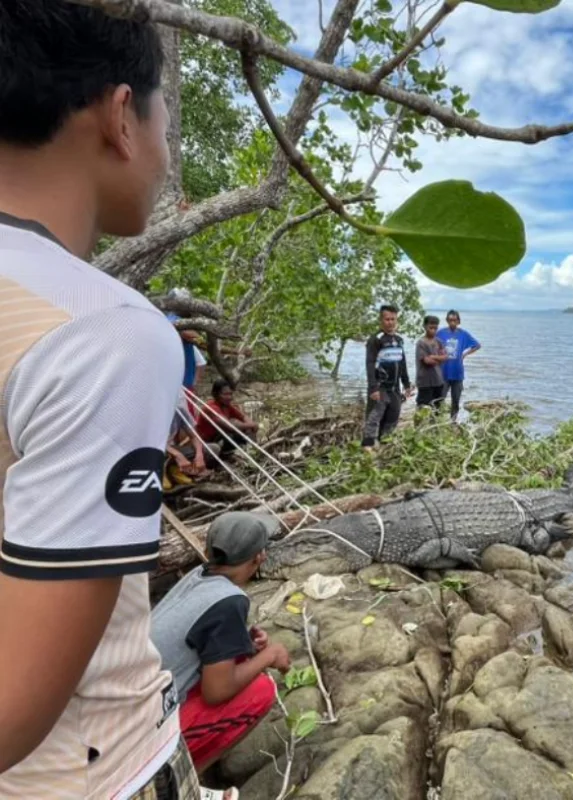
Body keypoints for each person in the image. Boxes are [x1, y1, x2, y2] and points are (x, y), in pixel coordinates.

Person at [0, 3, 201, 796]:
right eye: (164, 124)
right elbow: (18, 705)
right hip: (95, 771)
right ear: (122, 115)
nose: (161, 155)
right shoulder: (106, 330)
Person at [151, 512, 291, 773]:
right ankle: (185, 781)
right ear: (259, 557)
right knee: (261, 691)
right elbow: (216, 692)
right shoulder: (229, 601)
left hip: (133, 699)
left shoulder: (198, 574)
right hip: (145, 731)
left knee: (241, 658)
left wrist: (244, 643)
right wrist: (270, 655)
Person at [362, 304, 414, 449]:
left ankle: (385, 444)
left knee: (393, 416)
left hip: (395, 388)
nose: (390, 322)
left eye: (393, 319)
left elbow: (402, 363)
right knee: (374, 417)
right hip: (380, 387)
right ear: (381, 320)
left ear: (397, 321)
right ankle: (368, 447)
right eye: (387, 319)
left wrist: (407, 384)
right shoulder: (376, 339)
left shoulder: (398, 340)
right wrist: (373, 388)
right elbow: (370, 364)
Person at [195, 379, 259, 461]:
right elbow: (229, 426)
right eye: (225, 394)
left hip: (217, 439)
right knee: (235, 423)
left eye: (230, 394)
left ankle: (253, 450)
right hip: (204, 443)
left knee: (244, 426)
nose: (229, 397)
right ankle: (229, 455)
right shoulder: (211, 407)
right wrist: (252, 425)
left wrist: (252, 425)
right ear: (215, 394)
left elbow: (244, 417)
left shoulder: (227, 406)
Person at [436, 310, 481, 421]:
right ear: (447, 321)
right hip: (443, 374)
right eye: (450, 320)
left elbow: (477, 345)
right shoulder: (441, 333)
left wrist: (465, 354)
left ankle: (453, 422)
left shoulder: (463, 334)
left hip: (457, 374)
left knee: (455, 401)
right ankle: (436, 422)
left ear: (458, 321)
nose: (452, 322)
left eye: (454, 320)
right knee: (439, 400)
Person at [166, 393, 211, 489]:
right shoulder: (150, 412)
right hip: (153, 449)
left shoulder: (180, 409)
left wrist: (199, 455)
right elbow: (148, 442)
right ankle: (169, 470)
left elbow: (194, 436)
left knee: (211, 449)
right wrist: (178, 455)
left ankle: (180, 468)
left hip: (171, 448)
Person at [416, 315, 448, 409]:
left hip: (438, 380)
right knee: (424, 409)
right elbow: (427, 361)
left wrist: (433, 356)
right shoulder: (421, 343)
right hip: (424, 382)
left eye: (435, 328)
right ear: (425, 327)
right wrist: (439, 359)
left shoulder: (439, 342)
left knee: (438, 408)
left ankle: (435, 423)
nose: (433, 330)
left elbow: (445, 357)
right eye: (431, 328)